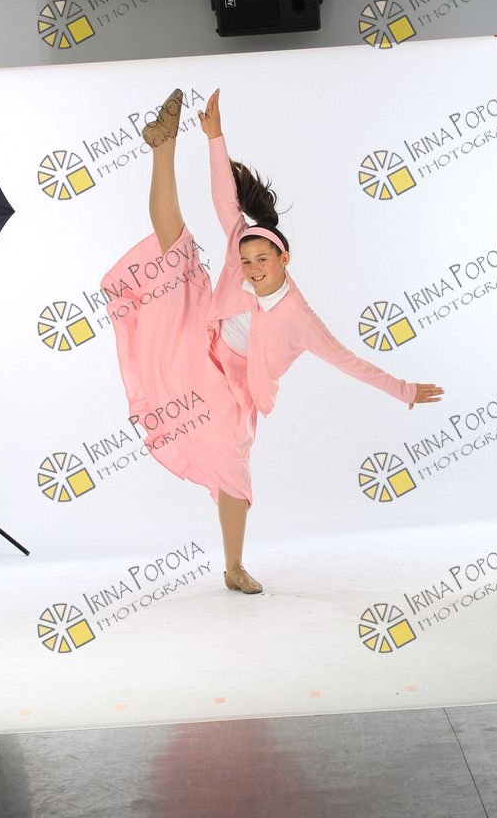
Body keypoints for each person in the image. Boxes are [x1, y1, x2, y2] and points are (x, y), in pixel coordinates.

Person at [102, 88, 443, 595]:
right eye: (246, 261)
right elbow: (225, 201)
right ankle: (163, 147)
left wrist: (404, 390)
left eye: (262, 260)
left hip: (231, 386)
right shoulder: (238, 254)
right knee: (175, 253)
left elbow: (348, 361)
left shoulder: (300, 317)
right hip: (196, 333)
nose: (252, 268)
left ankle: (233, 566)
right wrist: (215, 138)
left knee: (233, 472)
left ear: (284, 259)